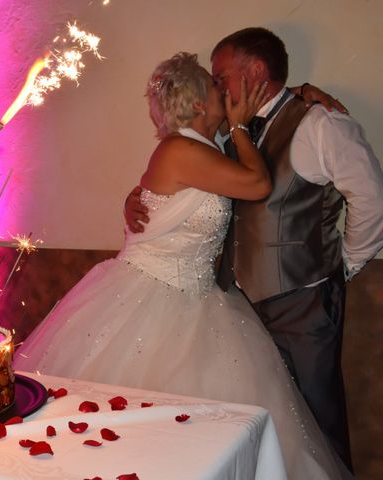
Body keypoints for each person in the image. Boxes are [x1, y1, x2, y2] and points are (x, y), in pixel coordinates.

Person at [16, 52, 351, 479]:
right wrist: (240, 125)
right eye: (215, 87)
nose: (224, 91)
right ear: (197, 104)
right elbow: (256, 183)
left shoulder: (208, 148)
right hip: (151, 294)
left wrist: (300, 94)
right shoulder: (181, 148)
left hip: (200, 295)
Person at [126, 28, 383, 472]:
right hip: (236, 306)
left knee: (317, 424)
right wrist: (137, 196)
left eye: (221, 75)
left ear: (256, 71)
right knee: (262, 426)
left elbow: (372, 197)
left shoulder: (319, 123)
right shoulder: (228, 133)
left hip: (302, 303)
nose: (217, 85)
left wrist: (345, 266)